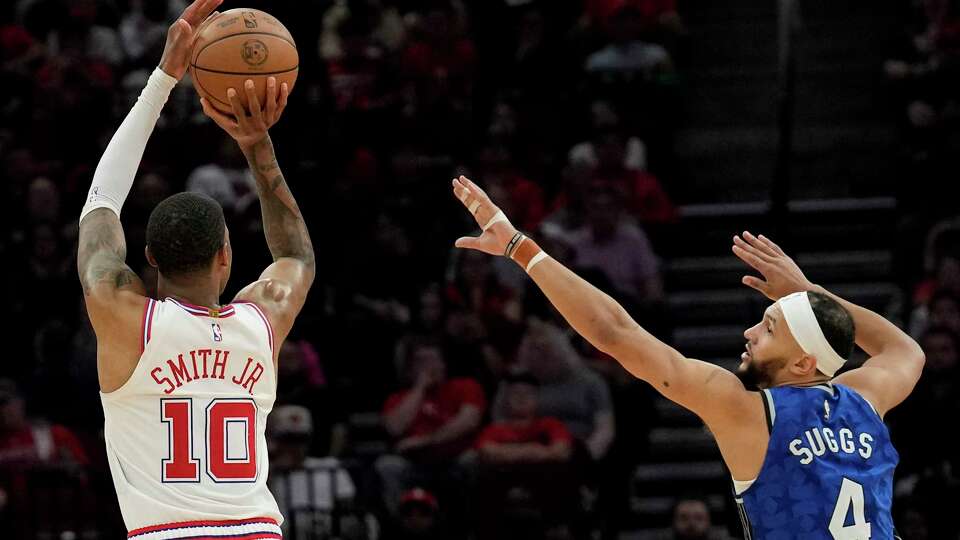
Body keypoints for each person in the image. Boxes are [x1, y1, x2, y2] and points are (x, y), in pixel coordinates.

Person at [450, 175, 924, 538]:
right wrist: (810, 294)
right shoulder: (864, 397)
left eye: (770, 327)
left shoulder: (748, 410)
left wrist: (519, 247)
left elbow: (615, 333)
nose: (750, 331)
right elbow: (905, 349)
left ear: (803, 363)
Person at [75, 0, 315, 536]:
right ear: (226, 255)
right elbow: (295, 255)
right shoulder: (261, 324)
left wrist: (162, 78)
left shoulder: (124, 318)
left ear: (151, 258)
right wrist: (257, 143)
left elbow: (101, 201)